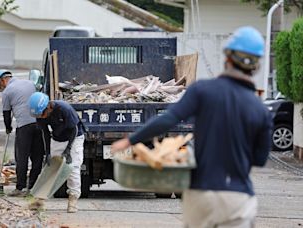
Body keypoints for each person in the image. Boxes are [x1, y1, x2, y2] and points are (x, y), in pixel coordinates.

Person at [111, 26, 273, 228]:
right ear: (256, 66)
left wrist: (129, 140)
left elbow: (168, 119)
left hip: (200, 193)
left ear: (227, 58)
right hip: (237, 197)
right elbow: (259, 159)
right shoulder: (261, 110)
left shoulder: (202, 90)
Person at [28, 92, 85, 213]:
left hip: (74, 138)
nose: (41, 117)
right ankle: (40, 200)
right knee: (51, 168)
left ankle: (73, 199)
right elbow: (45, 133)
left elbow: (74, 130)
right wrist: (47, 153)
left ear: (48, 106)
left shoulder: (64, 109)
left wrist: (68, 150)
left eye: (42, 113)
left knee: (72, 168)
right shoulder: (40, 114)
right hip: (57, 138)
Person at [0, 69, 45, 196]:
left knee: (21, 158)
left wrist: (8, 127)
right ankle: (33, 187)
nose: (2, 88)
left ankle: (20, 187)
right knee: (37, 157)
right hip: (39, 123)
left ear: (2, 80)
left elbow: (6, 114)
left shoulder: (7, 92)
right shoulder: (29, 84)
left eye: (0, 86)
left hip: (24, 126)